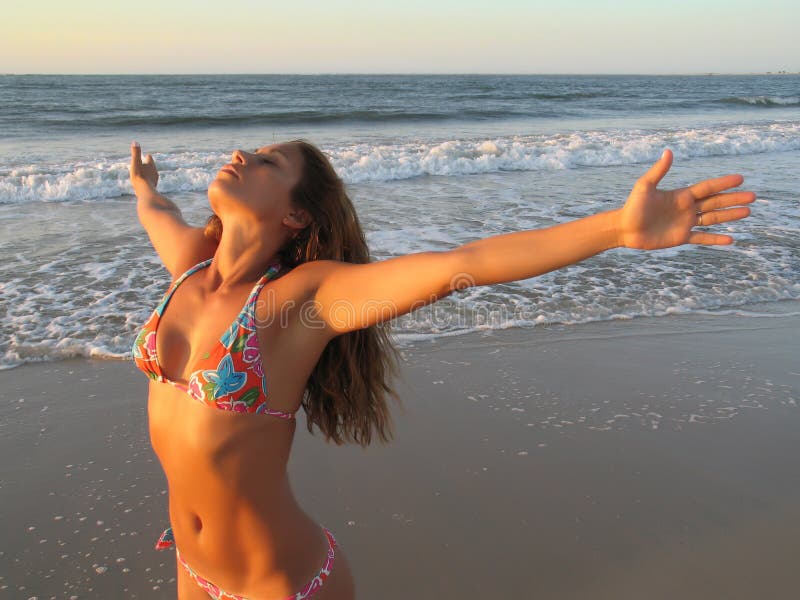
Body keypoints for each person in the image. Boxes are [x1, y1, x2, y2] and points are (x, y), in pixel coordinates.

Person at [129, 140, 753, 599]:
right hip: (193, 569)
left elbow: (464, 262)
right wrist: (143, 186)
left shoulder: (303, 303)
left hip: (280, 585)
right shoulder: (188, 265)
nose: (242, 153)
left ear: (296, 216)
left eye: (268, 162)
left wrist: (615, 227)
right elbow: (156, 212)